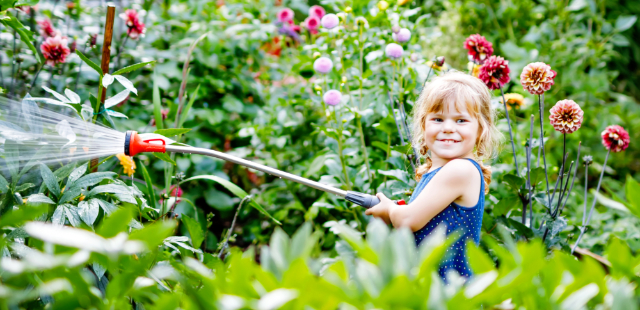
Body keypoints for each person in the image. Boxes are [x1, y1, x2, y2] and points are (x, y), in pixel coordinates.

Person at [365, 71, 501, 281]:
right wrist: (394, 214)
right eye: (438, 119)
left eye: (461, 120)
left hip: (450, 293)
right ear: (424, 124)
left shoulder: (461, 170)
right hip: (429, 287)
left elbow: (409, 220)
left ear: (480, 129)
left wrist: (391, 209)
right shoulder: (436, 172)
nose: (448, 128)